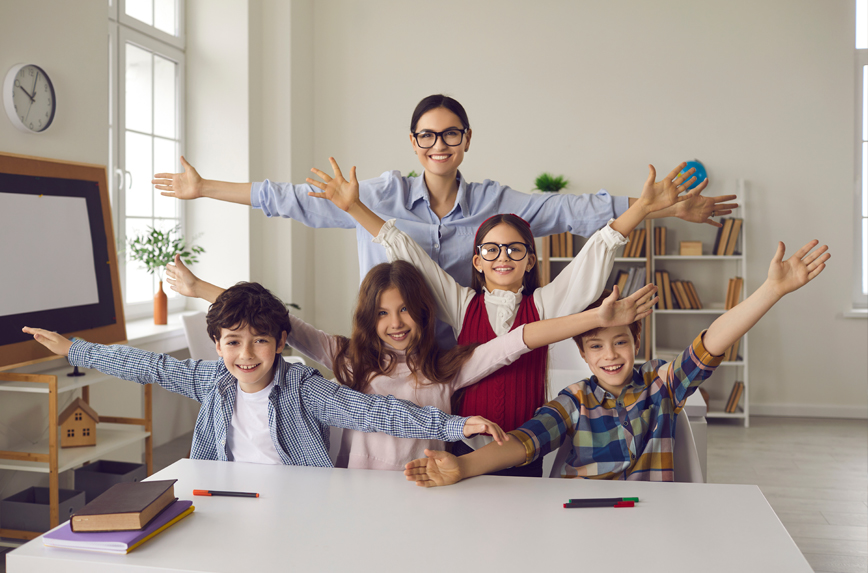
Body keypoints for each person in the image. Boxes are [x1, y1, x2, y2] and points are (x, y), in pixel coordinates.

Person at [152, 94, 736, 346]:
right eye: (427, 135)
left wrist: (660, 207)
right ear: (413, 142)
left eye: (449, 134)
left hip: (461, 343)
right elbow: (289, 198)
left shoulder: (493, 200)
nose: (439, 144)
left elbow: (571, 210)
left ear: (465, 141)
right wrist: (205, 189)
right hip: (385, 342)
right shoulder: (377, 196)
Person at [305, 156, 690, 475]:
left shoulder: (543, 306)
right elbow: (405, 249)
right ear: (477, 260)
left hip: (523, 447)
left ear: (530, 259)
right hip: (462, 447)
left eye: (514, 249)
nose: (502, 256)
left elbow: (592, 259)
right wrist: (355, 207)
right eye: (491, 249)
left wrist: (640, 209)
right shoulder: (461, 303)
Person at [162, 260, 657, 471]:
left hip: (425, 487)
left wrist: (591, 318)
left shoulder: (448, 367)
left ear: (422, 313)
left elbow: (517, 342)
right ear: (367, 317)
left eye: (404, 310)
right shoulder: (347, 359)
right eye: (381, 312)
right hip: (351, 489)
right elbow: (275, 317)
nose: (394, 323)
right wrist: (203, 287)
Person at [403, 239, 830, 483]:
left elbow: (712, 342)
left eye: (621, 342)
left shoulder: (661, 386)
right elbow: (522, 443)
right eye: (596, 347)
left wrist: (771, 290)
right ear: (582, 353)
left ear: (636, 341)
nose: (610, 356)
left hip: (651, 520)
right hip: (582, 523)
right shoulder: (574, 400)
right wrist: (462, 465)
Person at [22, 282, 512, 467]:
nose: (247, 355)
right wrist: (77, 349)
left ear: (281, 342)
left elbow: (372, 409)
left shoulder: (304, 388)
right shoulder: (210, 380)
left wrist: (450, 426)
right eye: (233, 343)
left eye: (260, 340)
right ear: (218, 346)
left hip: (297, 499)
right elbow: (150, 365)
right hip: (223, 494)